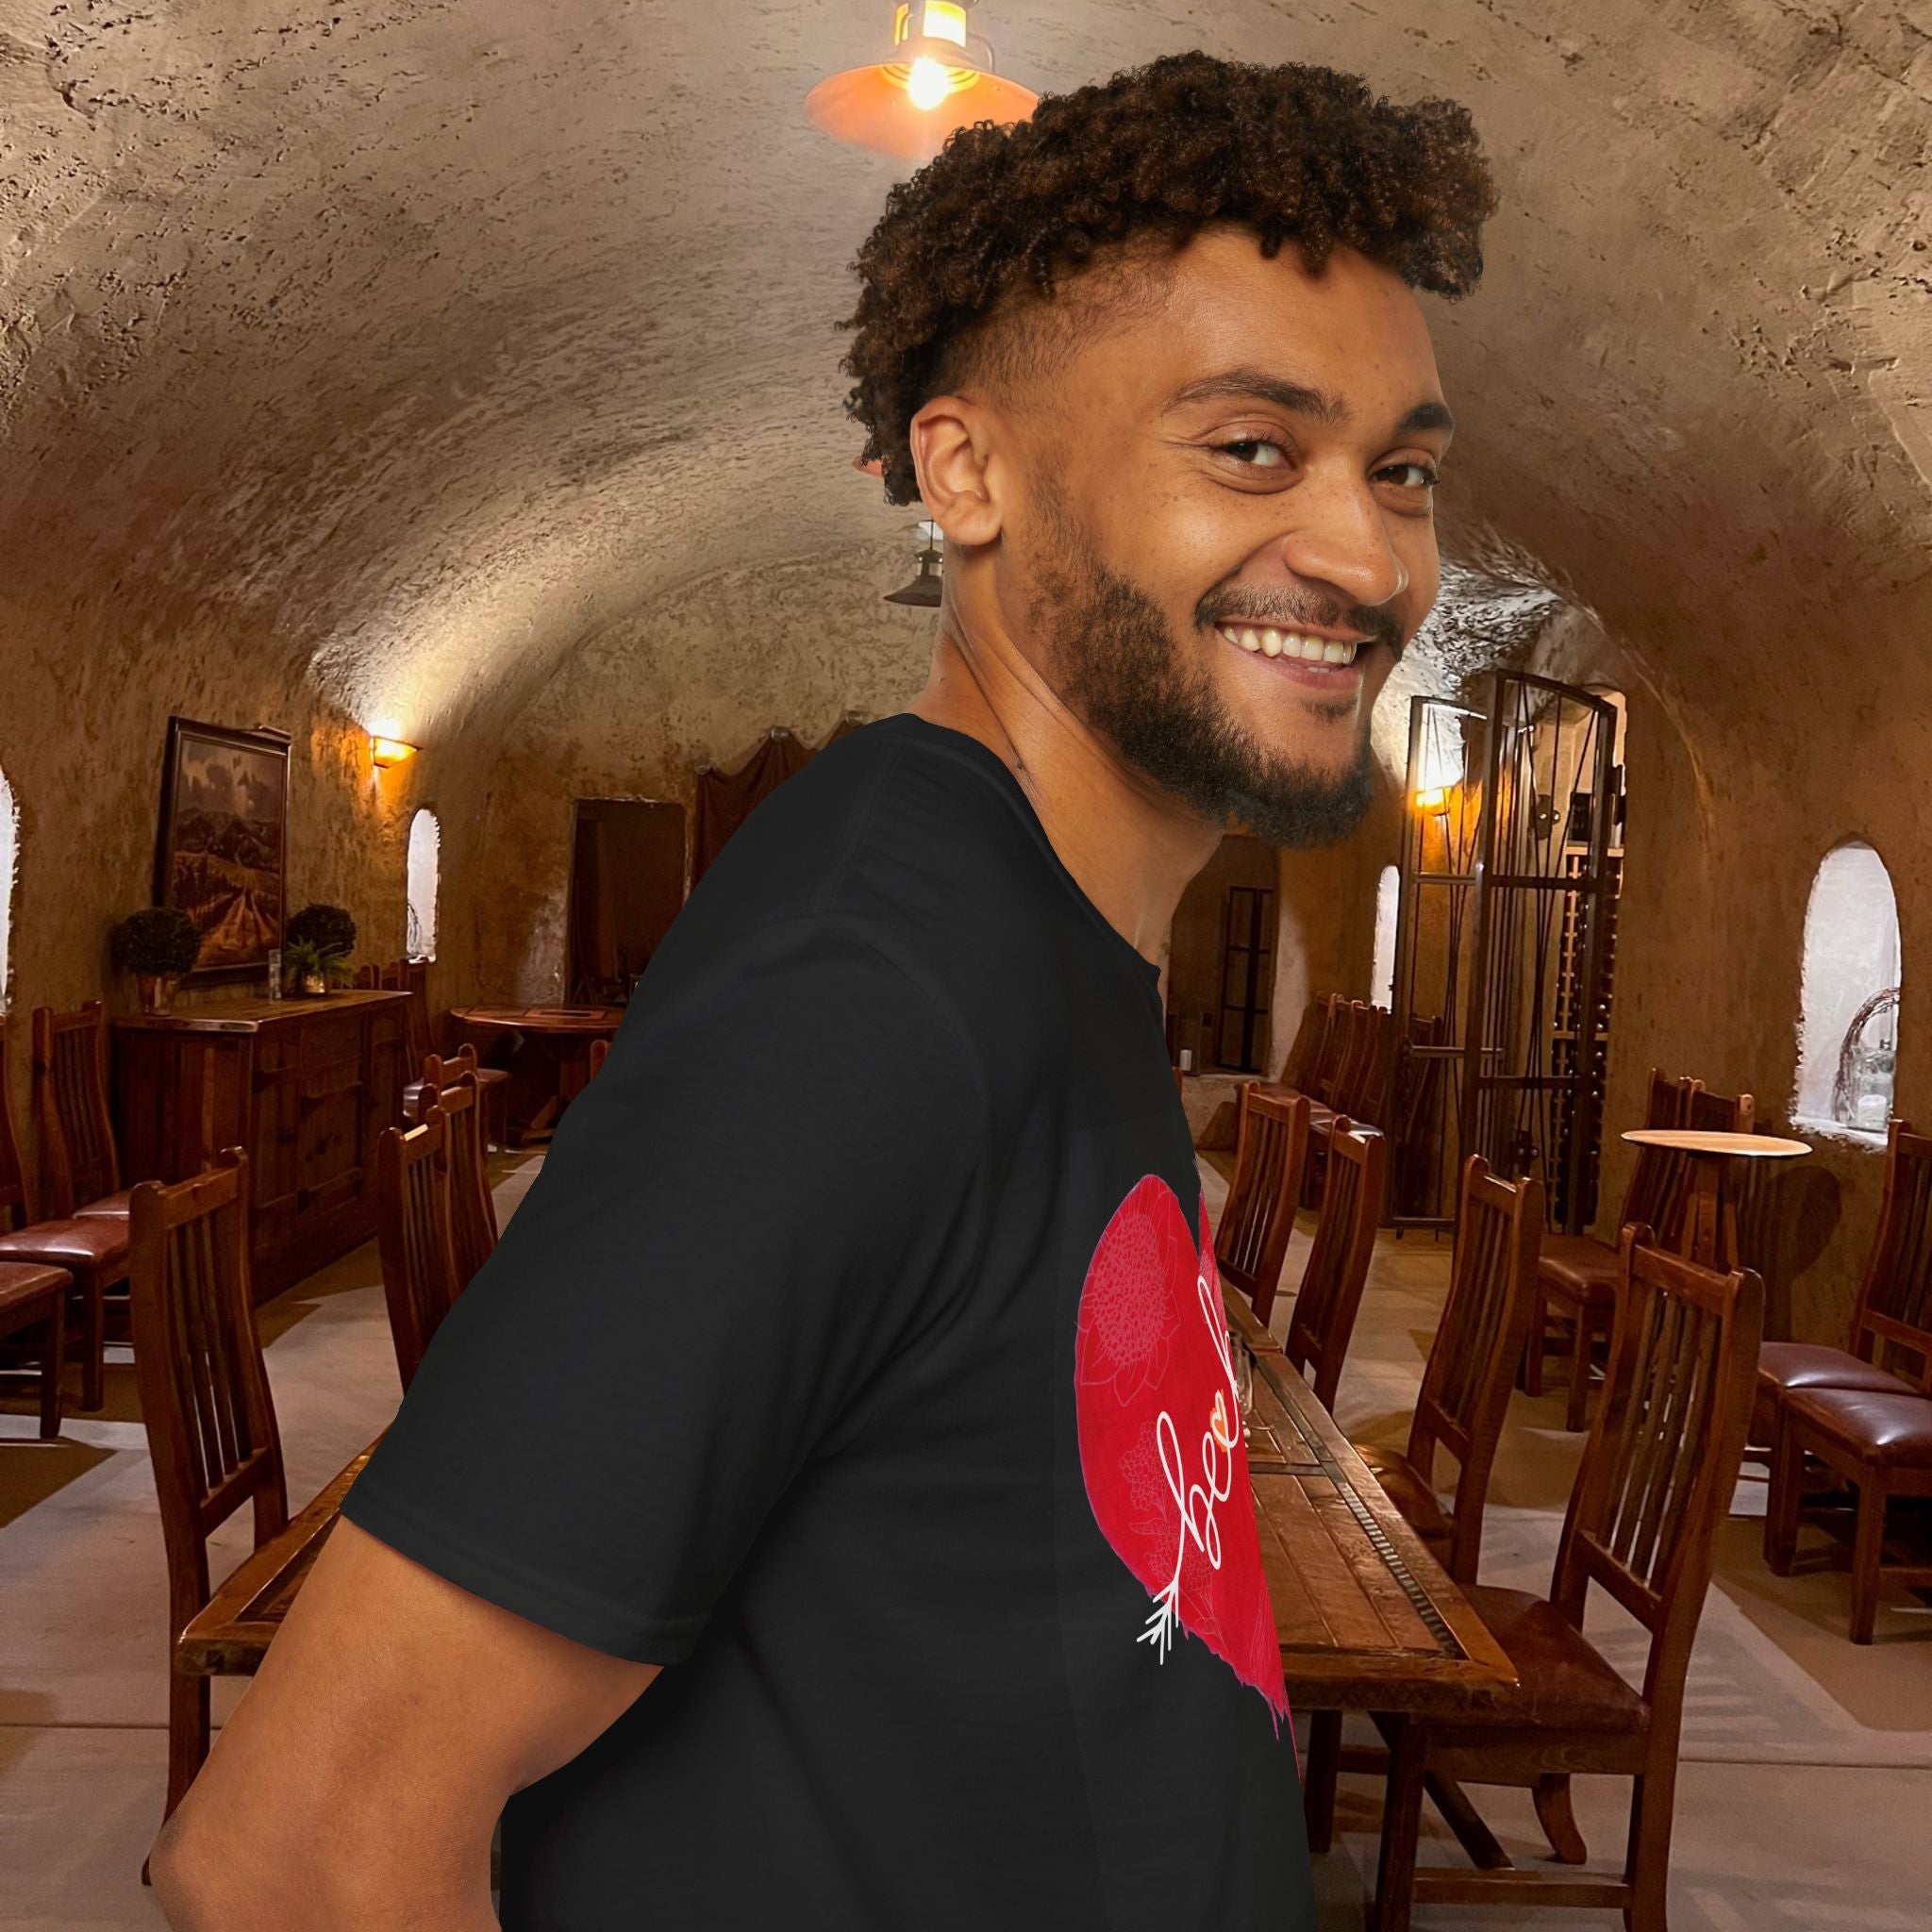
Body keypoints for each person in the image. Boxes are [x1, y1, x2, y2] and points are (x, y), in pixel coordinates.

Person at [152, 50, 1495, 1931]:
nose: (1366, 553)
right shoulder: (875, 980)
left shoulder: (1040, 935)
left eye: (1403, 468)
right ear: (968, 470)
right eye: (1252, 447)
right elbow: (296, 1850)